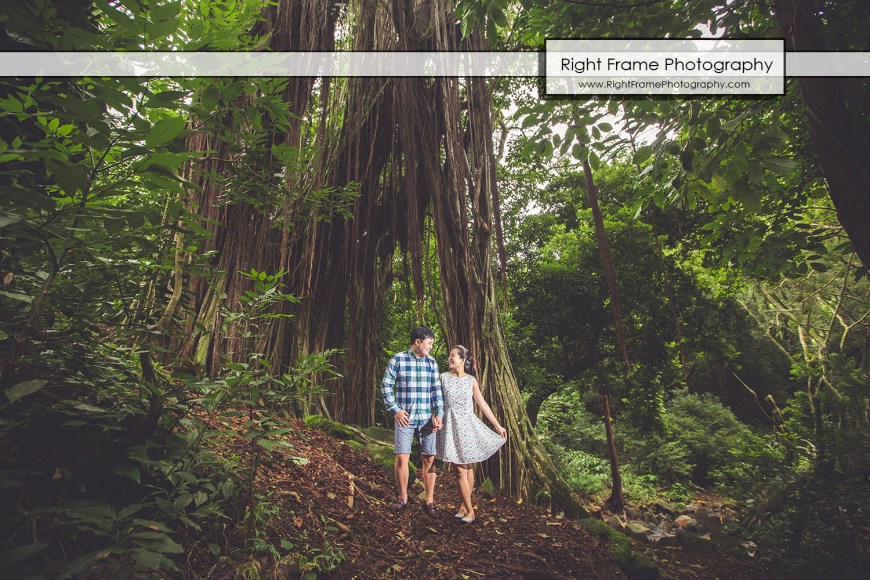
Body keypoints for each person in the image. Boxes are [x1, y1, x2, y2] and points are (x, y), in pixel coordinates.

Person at [436, 345, 507, 524]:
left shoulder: (471, 380)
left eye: (453, 355)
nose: (450, 358)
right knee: (461, 469)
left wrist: (497, 425)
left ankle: (467, 509)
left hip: (468, 427)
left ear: (462, 360)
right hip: (451, 427)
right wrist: (435, 418)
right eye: (450, 355)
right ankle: (467, 508)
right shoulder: (443, 378)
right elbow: (436, 402)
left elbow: (482, 404)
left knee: (466, 468)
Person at [381, 326, 444, 516]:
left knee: (429, 458)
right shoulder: (398, 359)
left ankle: (429, 501)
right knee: (402, 457)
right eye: (429, 343)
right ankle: (402, 498)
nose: (431, 347)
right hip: (405, 418)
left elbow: (436, 390)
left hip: (427, 418)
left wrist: (438, 414)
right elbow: (386, 385)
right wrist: (395, 410)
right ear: (418, 342)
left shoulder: (431, 362)